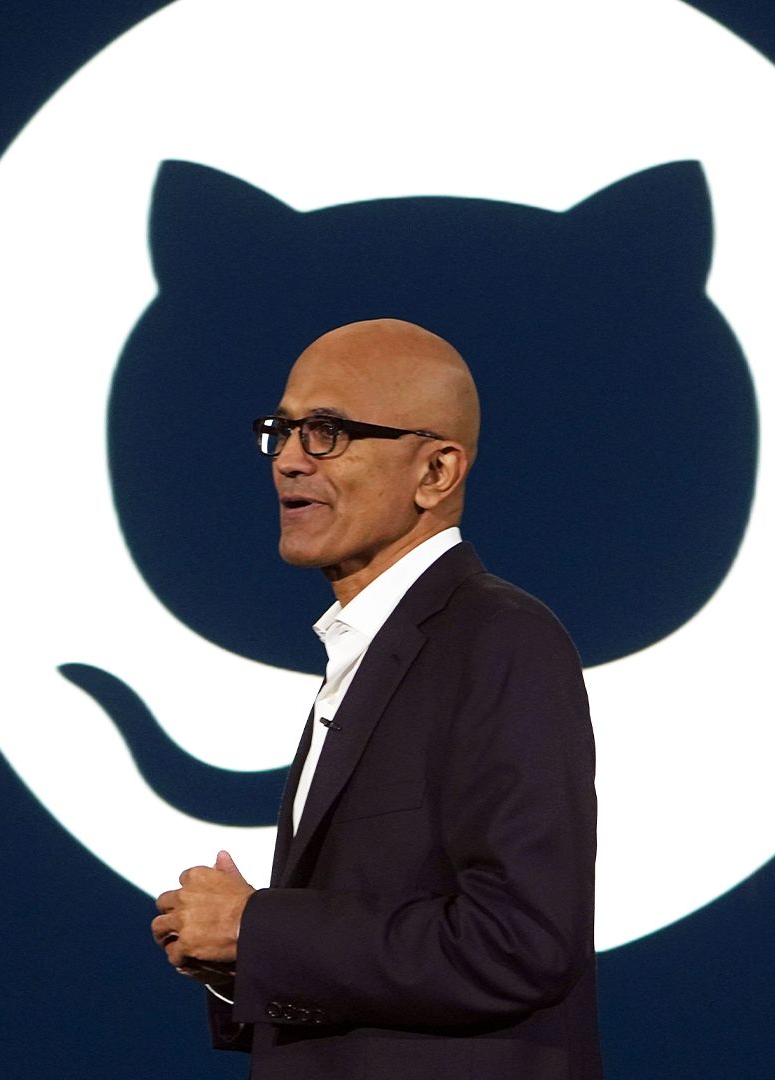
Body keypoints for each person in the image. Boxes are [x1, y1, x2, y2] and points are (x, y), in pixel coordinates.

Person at [149, 319, 603, 1078]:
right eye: (283, 430)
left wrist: (259, 930)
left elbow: (520, 942)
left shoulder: (501, 641)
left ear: (436, 473)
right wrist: (238, 965)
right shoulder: (366, 651)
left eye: (327, 432)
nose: (289, 461)